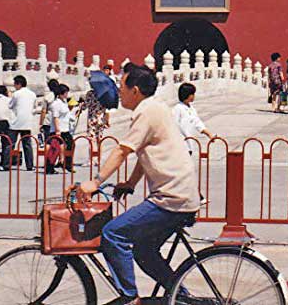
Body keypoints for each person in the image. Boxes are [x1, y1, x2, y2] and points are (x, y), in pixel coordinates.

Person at [76, 63, 200, 304]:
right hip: (181, 195)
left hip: (170, 198)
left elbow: (123, 151)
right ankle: (181, 298)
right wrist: (130, 183)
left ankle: (130, 298)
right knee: (143, 250)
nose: (119, 92)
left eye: (122, 87)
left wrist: (96, 181)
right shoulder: (156, 108)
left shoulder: (146, 111)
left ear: (135, 90)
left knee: (112, 234)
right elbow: (145, 152)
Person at [0, 75, 36, 171]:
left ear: (19, 84)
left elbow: (10, 105)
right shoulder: (32, 94)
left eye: (15, 84)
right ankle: (30, 165)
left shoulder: (17, 94)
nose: (14, 86)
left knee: (10, 144)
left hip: (16, 122)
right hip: (27, 122)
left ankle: (6, 165)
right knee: (27, 145)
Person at [172, 83, 216, 155]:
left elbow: (197, 123)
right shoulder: (178, 108)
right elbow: (173, 125)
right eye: (192, 94)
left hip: (189, 144)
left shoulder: (191, 109)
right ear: (186, 95)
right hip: (180, 146)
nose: (194, 96)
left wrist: (209, 135)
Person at [47, 84, 74, 173]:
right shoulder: (56, 104)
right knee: (54, 149)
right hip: (58, 129)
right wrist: (57, 129)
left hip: (65, 128)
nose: (67, 94)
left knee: (70, 145)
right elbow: (55, 117)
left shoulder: (64, 102)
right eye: (66, 92)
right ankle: (50, 167)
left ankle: (67, 164)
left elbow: (66, 114)